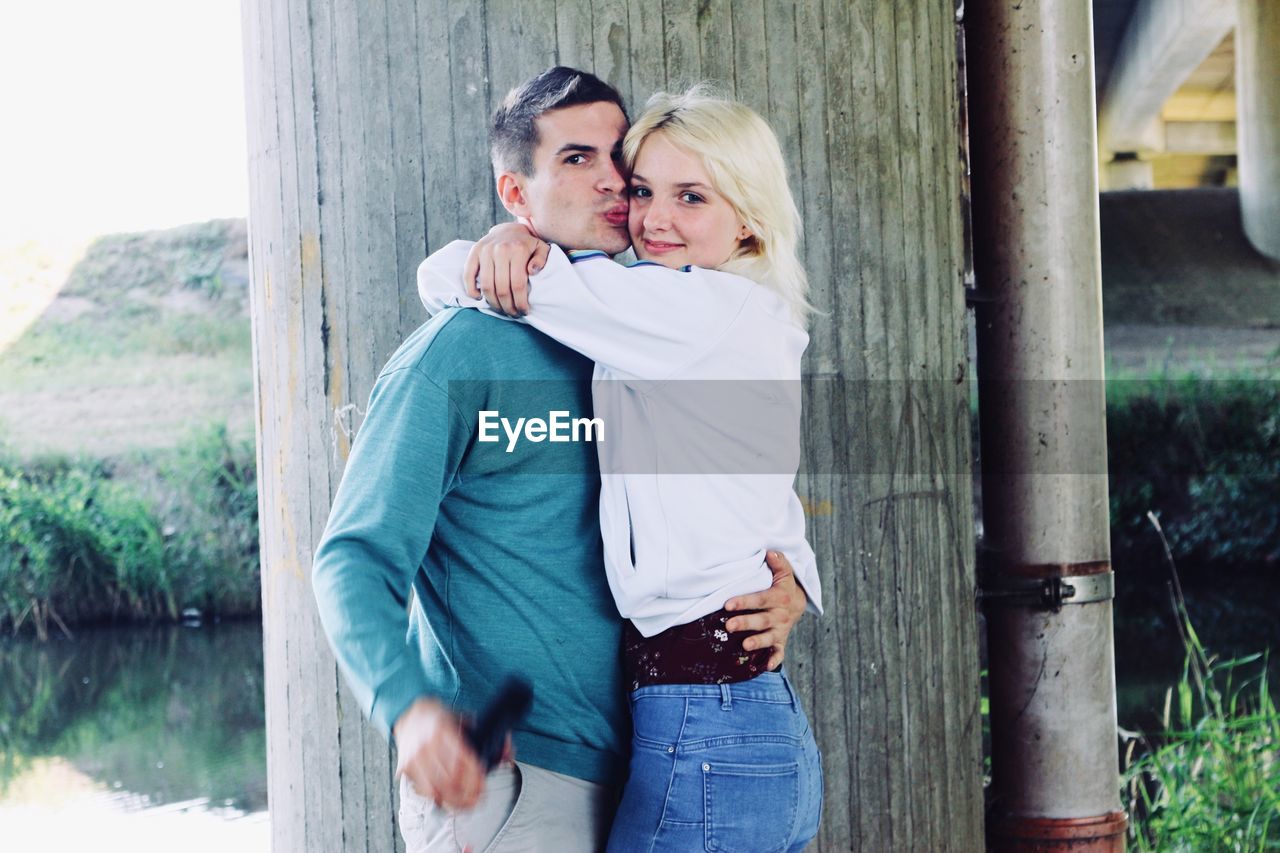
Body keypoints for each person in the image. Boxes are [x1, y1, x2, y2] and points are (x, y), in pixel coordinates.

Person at [310, 67, 809, 853]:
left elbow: (750, 484)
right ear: (517, 194)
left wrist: (786, 583)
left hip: (666, 755)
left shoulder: (654, 330)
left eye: (624, 161)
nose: (615, 185)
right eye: (579, 159)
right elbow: (350, 558)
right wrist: (407, 708)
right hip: (521, 780)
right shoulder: (458, 353)